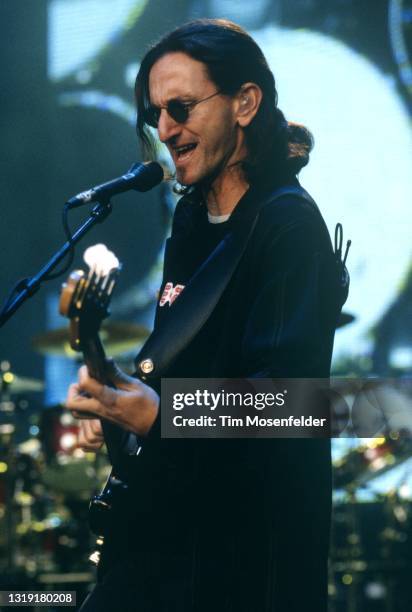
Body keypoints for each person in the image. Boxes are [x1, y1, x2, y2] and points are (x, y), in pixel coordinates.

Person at [66, 18, 348, 612]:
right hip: (174, 538)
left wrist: (164, 416)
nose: (166, 129)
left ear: (245, 102)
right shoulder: (191, 224)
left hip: (245, 559)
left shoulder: (287, 225)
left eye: (181, 107)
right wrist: (120, 399)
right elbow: (185, 370)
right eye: (155, 115)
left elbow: (293, 407)